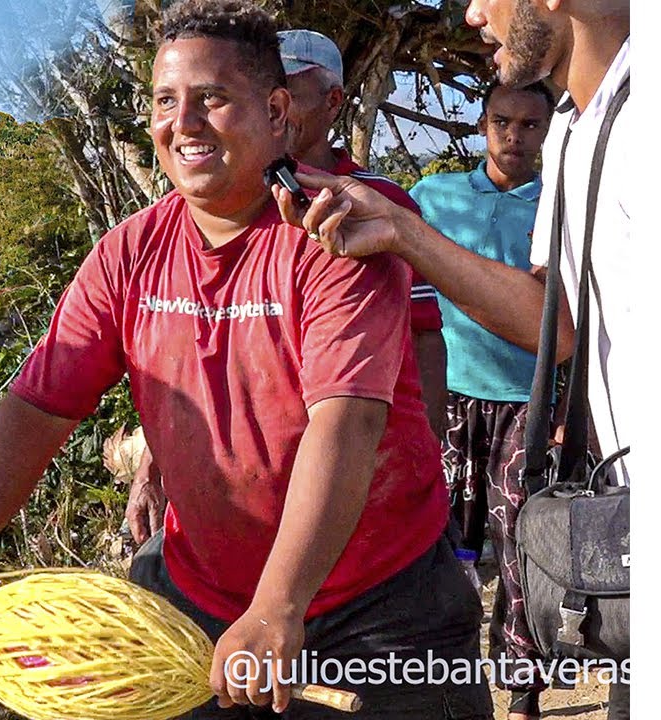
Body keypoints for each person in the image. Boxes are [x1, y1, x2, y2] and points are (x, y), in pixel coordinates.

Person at [0, 2, 490, 717]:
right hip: (199, 605)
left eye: (213, 99)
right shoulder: (130, 252)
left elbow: (343, 424)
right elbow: (40, 406)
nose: (183, 122)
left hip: (379, 606)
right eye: (166, 100)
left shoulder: (340, 229)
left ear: (278, 109)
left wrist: (278, 605)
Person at [270, 0, 632, 715]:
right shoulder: (575, 133)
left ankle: (524, 689)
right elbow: (555, 325)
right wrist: (407, 234)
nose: (469, 14)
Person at [124, 28, 449, 547]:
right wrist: (153, 463)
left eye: (290, 90)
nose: (278, 106)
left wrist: (427, 455)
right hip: (234, 535)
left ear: (330, 102)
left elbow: (425, 336)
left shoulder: (376, 207)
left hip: (368, 511)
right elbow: (193, 369)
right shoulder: (218, 212)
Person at [409, 80, 554, 719]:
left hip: (527, 403)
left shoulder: (558, 206)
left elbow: (580, 312)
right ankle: (446, 685)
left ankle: (523, 693)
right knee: (444, 547)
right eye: (502, 121)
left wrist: (567, 414)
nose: (514, 137)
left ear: (546, 131)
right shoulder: (429, 198)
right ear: (482, 122)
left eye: (529, 125)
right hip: (443, 400)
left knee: (522, 548)